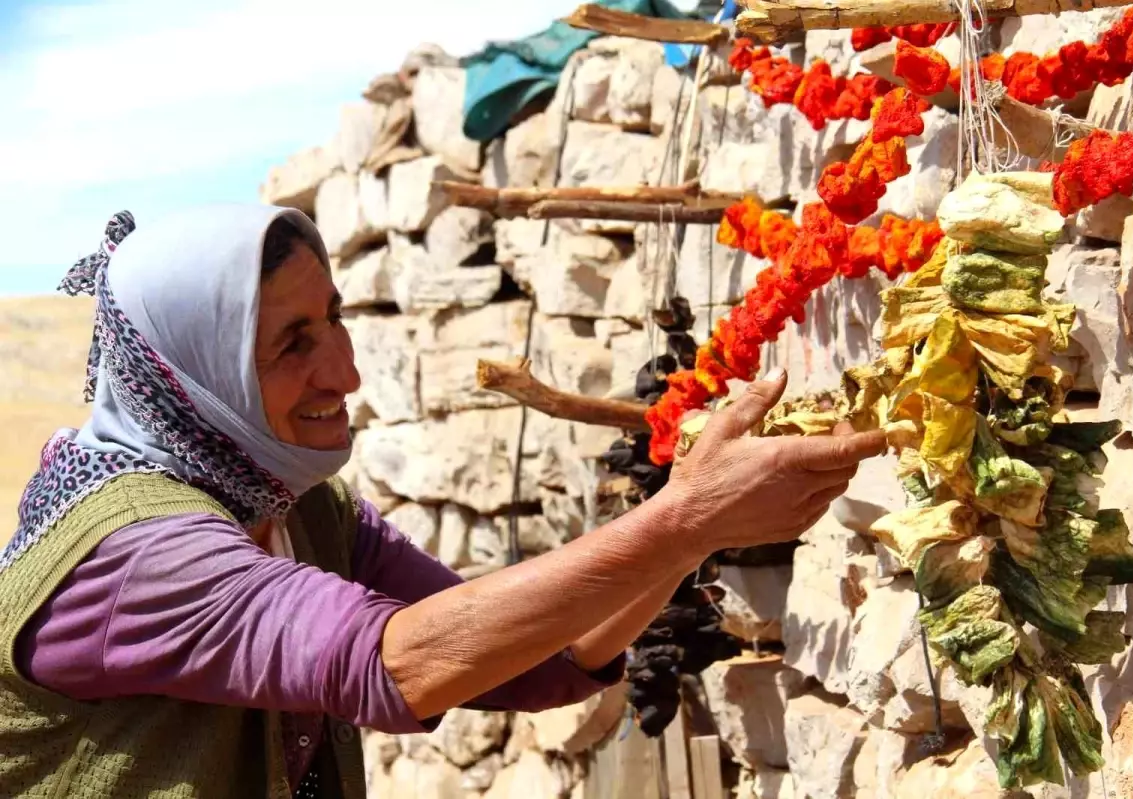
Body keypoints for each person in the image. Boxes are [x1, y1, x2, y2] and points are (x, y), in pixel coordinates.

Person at [0, 206, 886, 799]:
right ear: (192, 375)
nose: (344, 371)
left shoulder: (304, 512)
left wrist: (694, 532)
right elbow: (396, 664)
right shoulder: (129, 556)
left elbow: (530, 656)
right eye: (290, 344)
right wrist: (689, 516)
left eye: (335, 318)